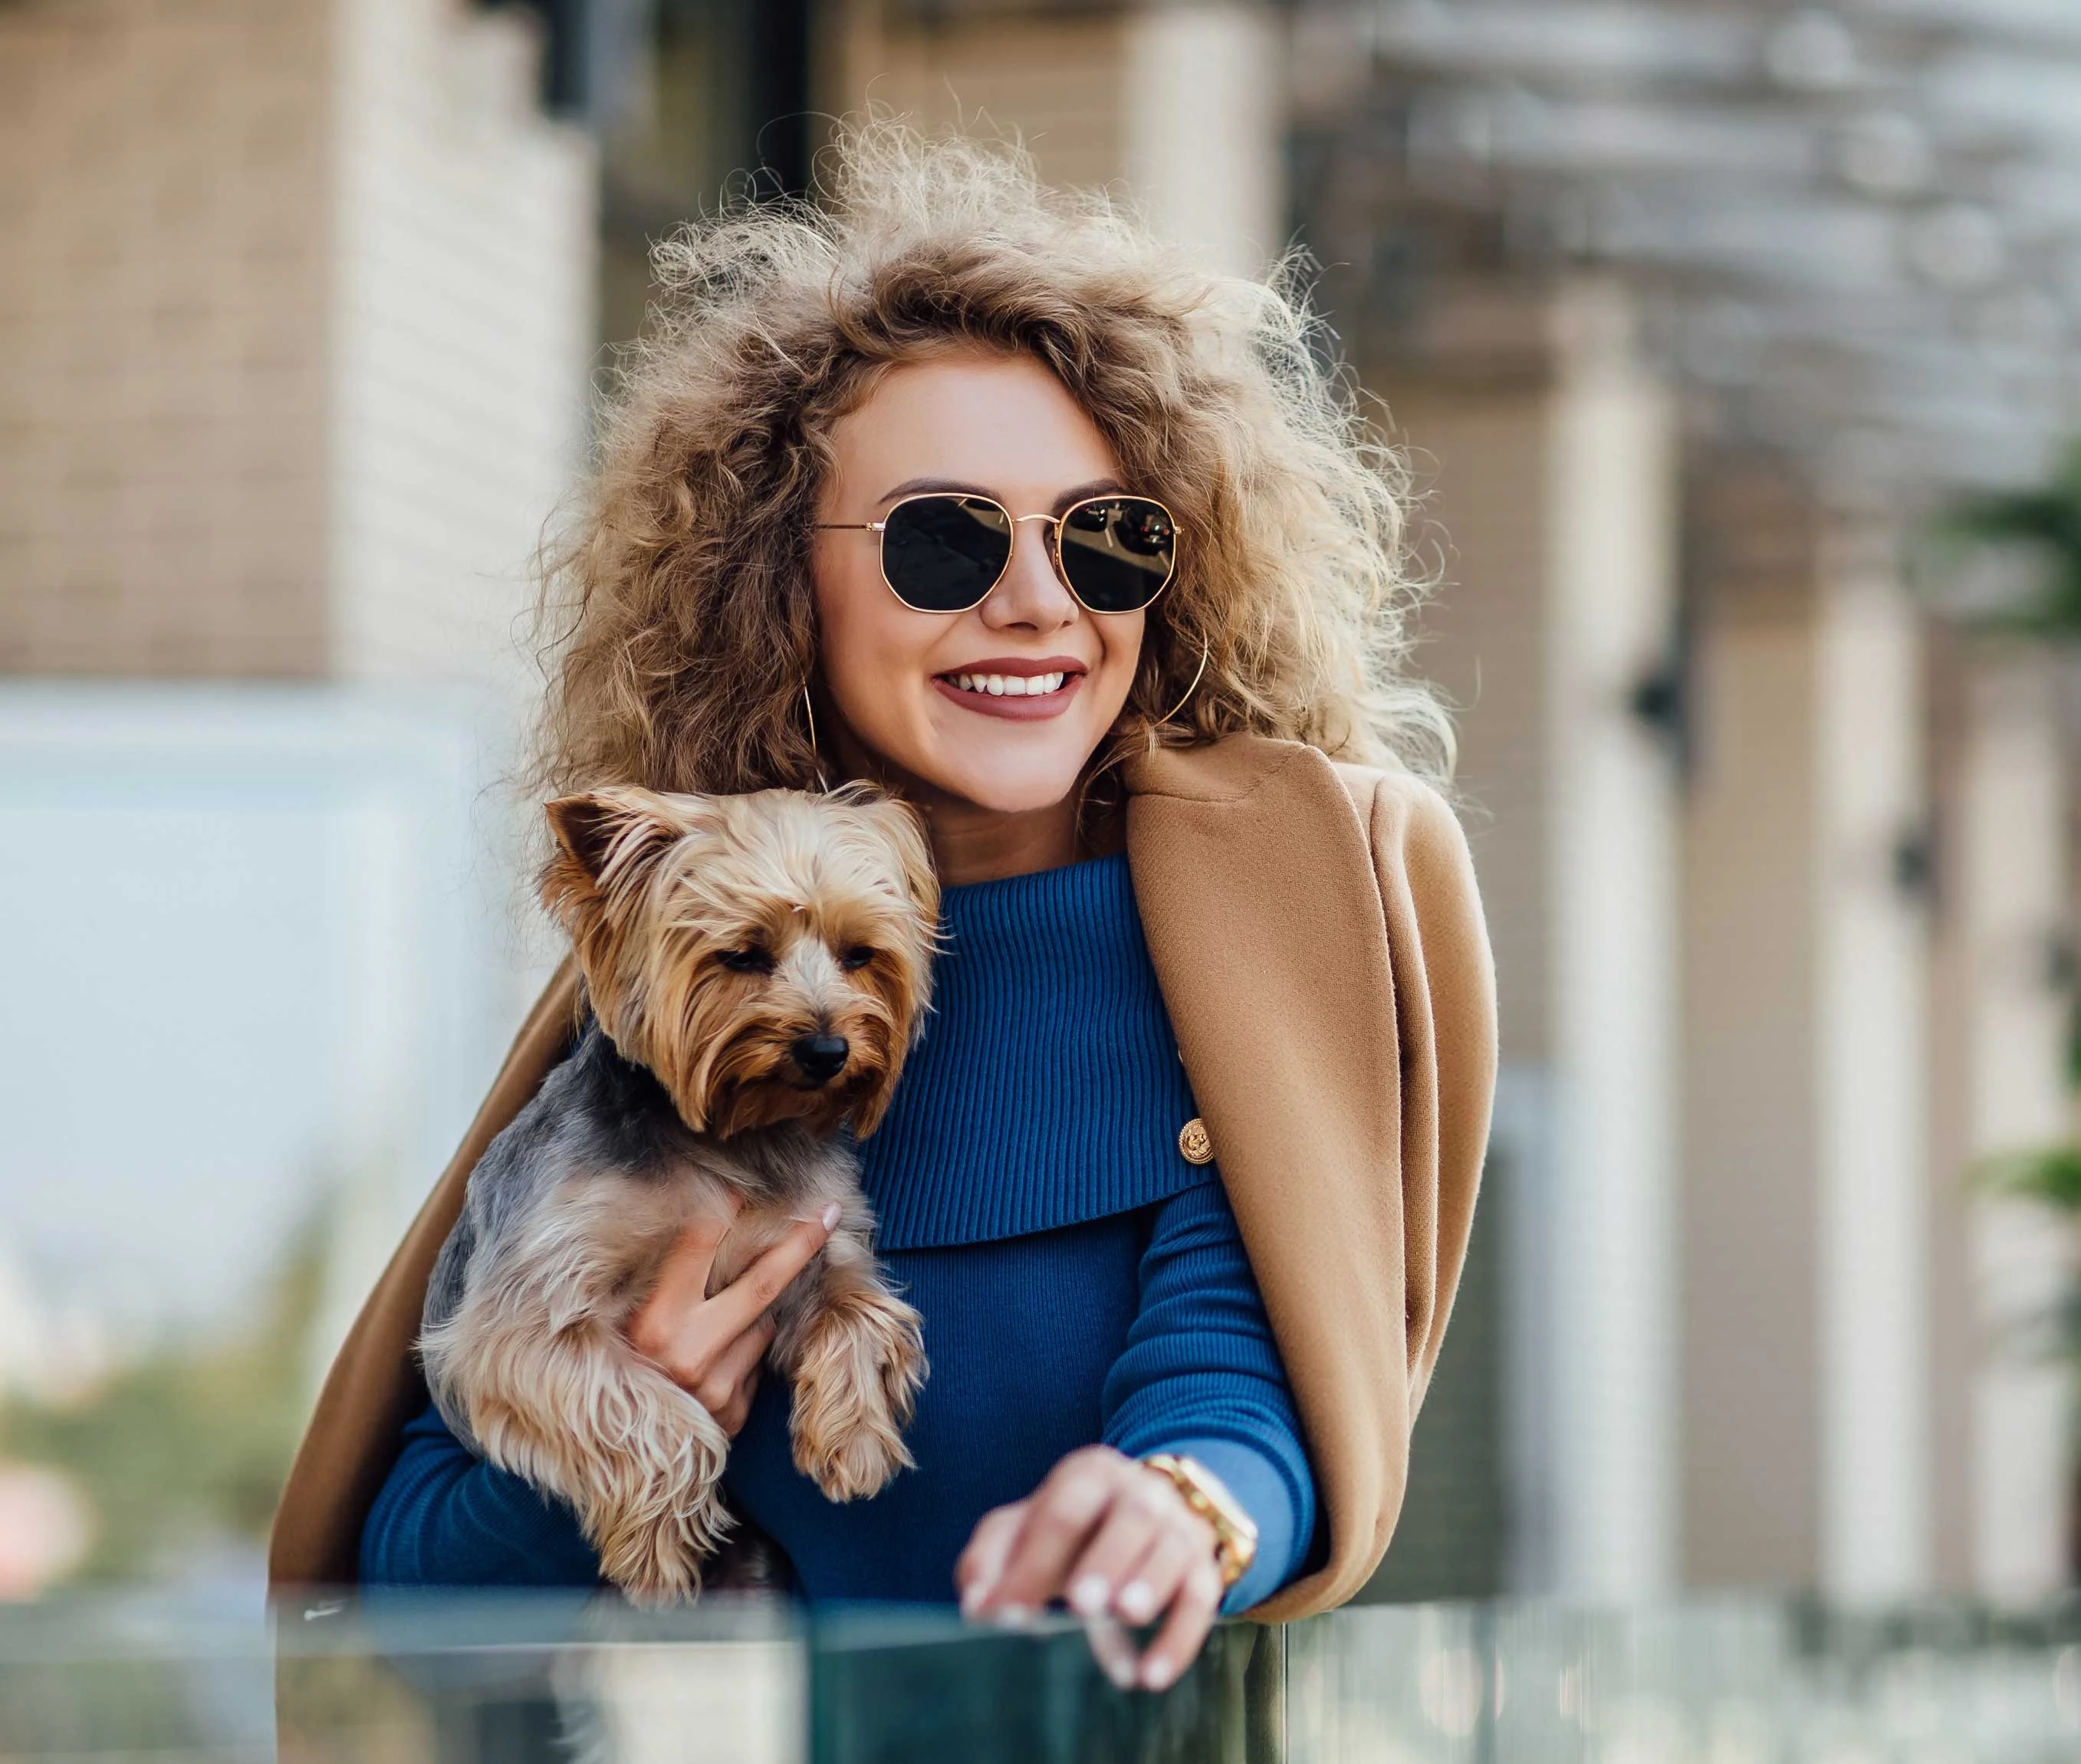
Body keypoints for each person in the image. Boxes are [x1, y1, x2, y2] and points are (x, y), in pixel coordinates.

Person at [268, 126, 1494, 1678]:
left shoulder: (1254, 931)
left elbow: (1247, 1387)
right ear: (781, 576)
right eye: (944, 536)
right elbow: (401, 1591)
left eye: (1106, 539)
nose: (1039, 600)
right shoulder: (675, 985)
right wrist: (627, 1424)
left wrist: (1178, 1508)